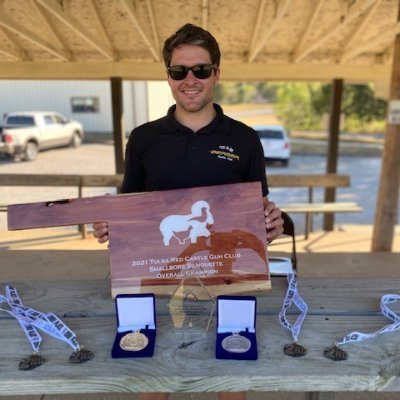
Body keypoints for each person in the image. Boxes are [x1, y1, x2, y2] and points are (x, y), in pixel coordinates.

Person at [93, 23, 284, 400]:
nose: (190, 80)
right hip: (158, 278)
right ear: (168, 76)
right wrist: (113, 227)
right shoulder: (145, 138)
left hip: (228, 275)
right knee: (154, 379)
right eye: (179, 71)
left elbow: (257, 210)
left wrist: (273, 223)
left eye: (200, 69)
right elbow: (132, 206)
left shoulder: (244, 138)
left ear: (216, 73)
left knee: (230, 380)